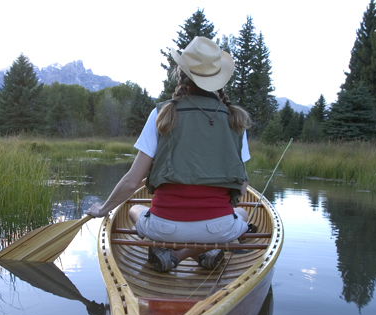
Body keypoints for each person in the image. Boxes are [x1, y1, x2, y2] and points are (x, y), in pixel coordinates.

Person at [87, 36, 252, 272]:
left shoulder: (162, 114)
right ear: (217, 78)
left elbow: (132, 181)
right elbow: (243, 189)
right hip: (219, 229)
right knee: (242, 213)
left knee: (134, 209)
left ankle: (172, 254)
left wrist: (103, 210)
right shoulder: (236, 120)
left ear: (181, 74)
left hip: (164, 227)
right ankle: (203, 252)